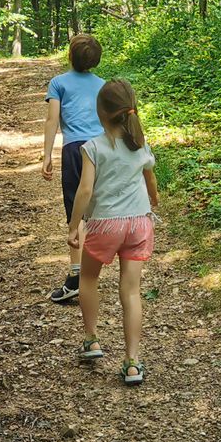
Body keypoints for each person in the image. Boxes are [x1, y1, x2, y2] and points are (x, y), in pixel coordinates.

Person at [66, 79, 159, 385]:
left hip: (107, 223)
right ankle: (132, 362)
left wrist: (74, 225)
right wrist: (153, 201)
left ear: (100, 112)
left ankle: (92, 339)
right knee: (131, 291)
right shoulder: (140, 145)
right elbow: (151, 182)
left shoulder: (93, 147)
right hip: (139, 223)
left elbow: (85, 190)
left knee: (88, 278)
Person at [41, 33, 105, 303]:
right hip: (102, 149)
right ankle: (93, 272)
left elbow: (52, 119)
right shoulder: (103, 85)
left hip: (74, 149)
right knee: (97, 211)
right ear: (97, 60)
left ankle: (76, 275)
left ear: (69, 55)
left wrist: (46, 155)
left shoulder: (58, 83)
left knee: (75, 212)